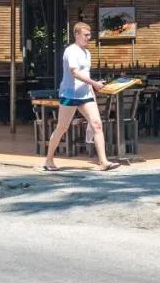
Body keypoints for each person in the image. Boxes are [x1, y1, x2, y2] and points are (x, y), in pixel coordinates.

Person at [43, 22, 117, 173]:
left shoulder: (87, 53)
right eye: (85, 35)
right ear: (76, 35)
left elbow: (86, 74)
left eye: (89, 35)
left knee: (97, 124)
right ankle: (49, 159)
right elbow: (74, 72)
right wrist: (94, 83)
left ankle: (103, 161)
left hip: (85, 95)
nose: (88, 38)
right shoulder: (71, 51)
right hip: (69, 94)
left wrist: (93, 93)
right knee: (62, 127)